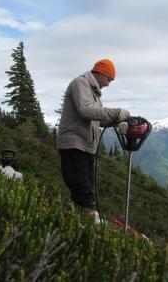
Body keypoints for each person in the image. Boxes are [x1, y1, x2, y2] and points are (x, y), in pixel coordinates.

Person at [57, 59, 130, 222]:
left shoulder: (94, 94)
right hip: (74, 144)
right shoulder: (80, 83)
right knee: (81, 186)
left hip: (86, 146)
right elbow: (86, 111)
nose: (109, 84)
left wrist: (117, 120)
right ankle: (85, 222)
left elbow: (97, 119)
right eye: (109, 79)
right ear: (101, 73)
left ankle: (72, 219)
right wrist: (117, 113)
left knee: (86, 186)